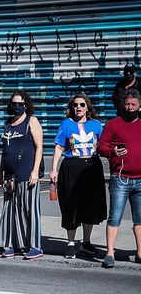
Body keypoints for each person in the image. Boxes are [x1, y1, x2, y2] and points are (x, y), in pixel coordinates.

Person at [49, 94, 106, 259]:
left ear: (87, 107)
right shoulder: (66, 124)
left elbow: (103, 145)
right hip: (71, 166)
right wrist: (54, 169)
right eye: (75, 105)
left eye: (82, 104)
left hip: (92, 167)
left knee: (90, 204)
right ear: (71, 107)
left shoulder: (96, 125)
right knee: (70, 204)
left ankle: (86, 242)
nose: (78, 107)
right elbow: (59, 146)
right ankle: (71, 242)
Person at [0, 90, 44, 259]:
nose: (17, 106)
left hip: (27, 173)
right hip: (10, 176)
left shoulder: (32, 121)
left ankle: (35, 246)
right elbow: (5, 150)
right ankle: (13, 245)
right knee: (10, 211)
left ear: (26, 105)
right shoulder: (8, 123)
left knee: (30, 210)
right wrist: (1, 171)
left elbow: (39, 147)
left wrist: (35, 171)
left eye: (21, 104)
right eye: (15, 103)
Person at [98, 89, 141, 268]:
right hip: (120, 179)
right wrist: (113, 152)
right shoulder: (113, 124)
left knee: (139, 219)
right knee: (114, 216)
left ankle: (140, 252)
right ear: (122, 105)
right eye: (127, 104)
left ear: (139, 106)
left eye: (133, 104)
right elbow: (101, 147)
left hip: (140, 180)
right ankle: (110, 253)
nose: (130, 107)